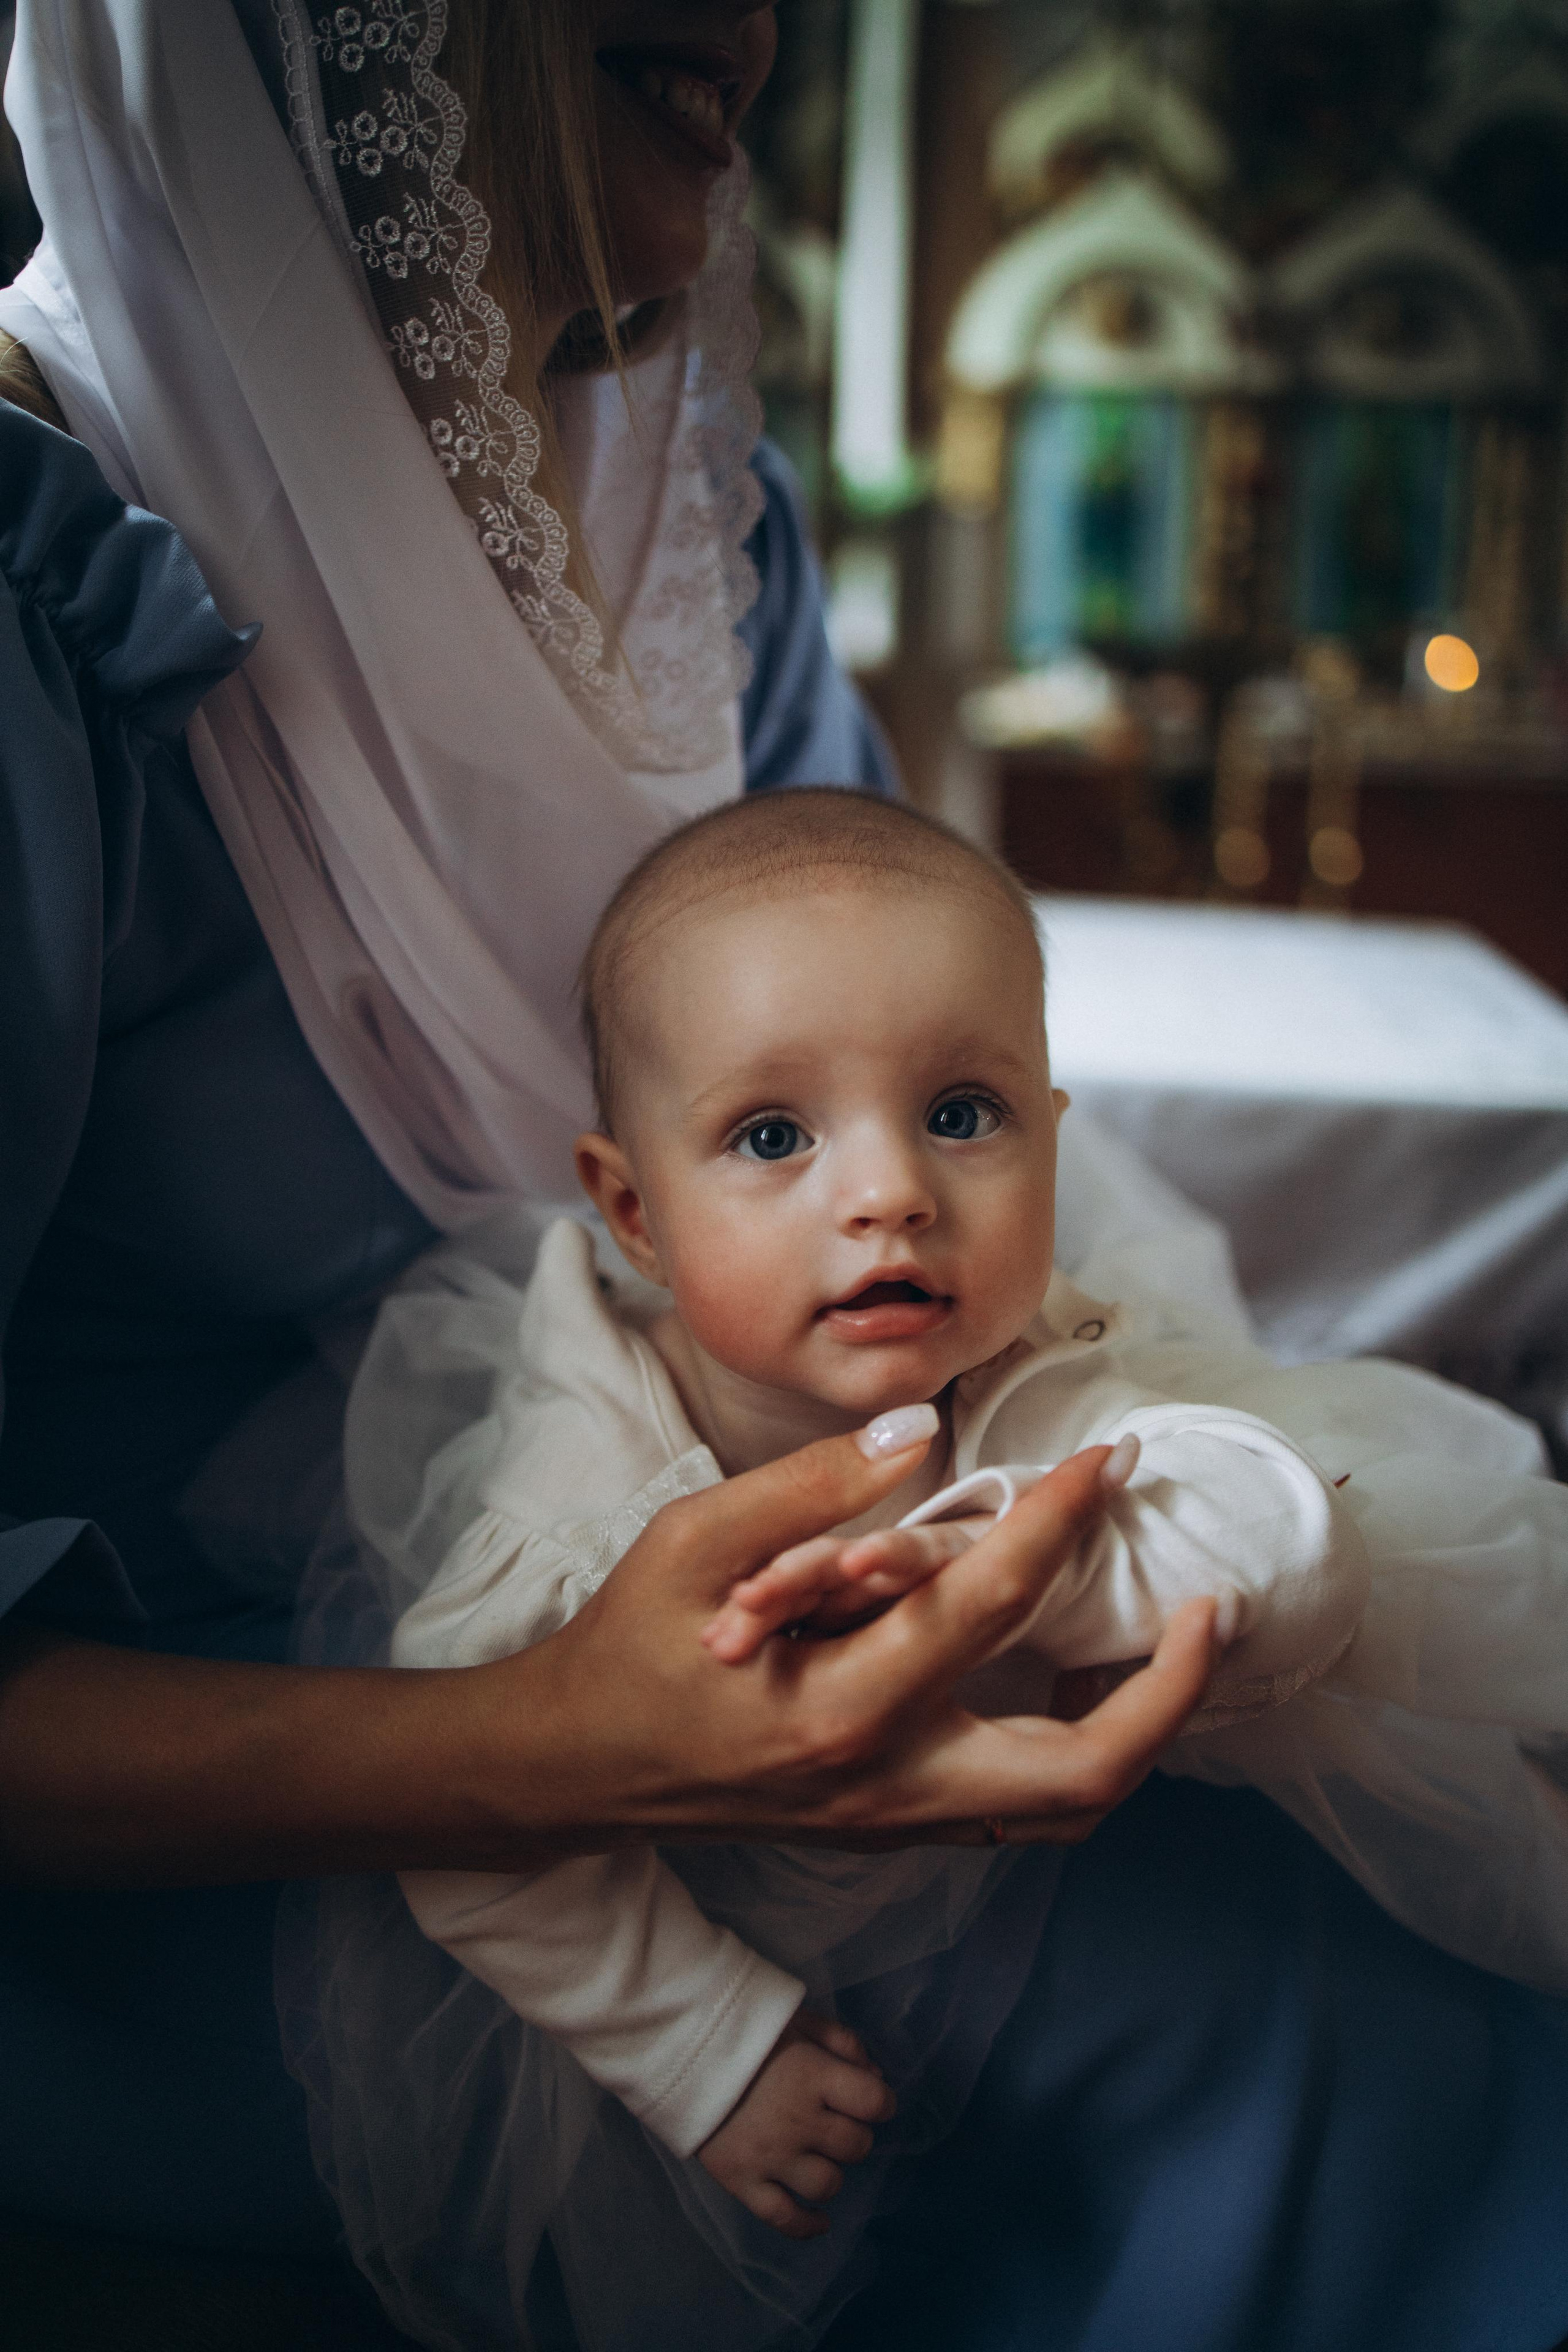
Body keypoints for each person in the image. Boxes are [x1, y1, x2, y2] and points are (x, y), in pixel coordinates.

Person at [0, 6, 1564, 2350]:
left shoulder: (686, 525)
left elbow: (893, 1030)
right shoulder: (46, 605)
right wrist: (566, 1754)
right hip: (243, 1808)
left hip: (758, 1609)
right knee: (1287, 1995)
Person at [315, 790, 1567, 2348]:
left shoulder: (1025, 1356)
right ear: (634, 1211)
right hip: (703, 1897)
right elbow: (461, 1811)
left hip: (1022, 1856)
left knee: (1395, 2023)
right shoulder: (581, 1498)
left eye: (961, 1113)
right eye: (771, 1137)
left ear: (1050, 1133)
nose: (890, 1190)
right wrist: (707, 2045)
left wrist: (1047, 1571)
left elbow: (1283, 1538)